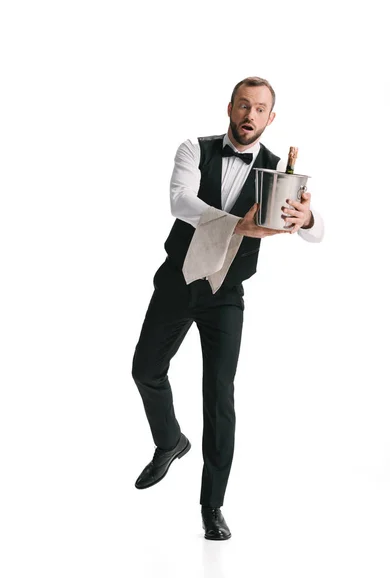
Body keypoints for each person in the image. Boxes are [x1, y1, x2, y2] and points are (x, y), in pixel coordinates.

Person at [131, 76, 324, 540]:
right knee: (145, 370)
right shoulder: (193, 149)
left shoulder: (280, 171)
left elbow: (315, 232)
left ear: (270, 118)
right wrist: (239, 224)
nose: (249, 116)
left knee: (219, 398)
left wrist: (308, 219)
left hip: (226, 296)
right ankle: (170, 441)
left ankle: (212, 505)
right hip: (179, 279)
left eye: (259, 109)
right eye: (243, 106)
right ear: (230, 107)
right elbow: (181, 202)